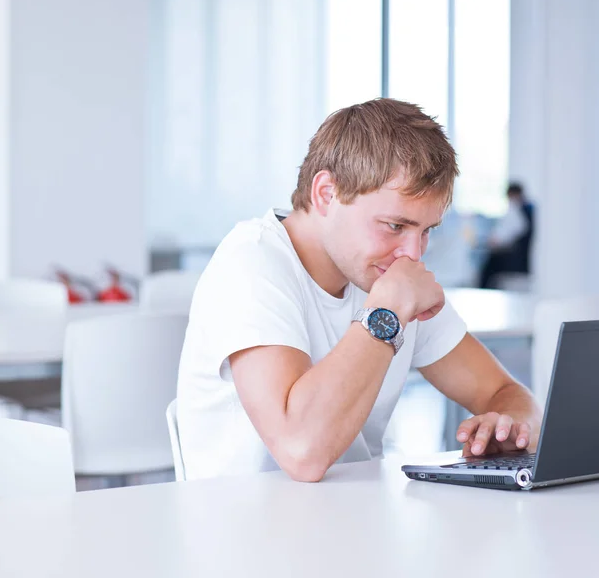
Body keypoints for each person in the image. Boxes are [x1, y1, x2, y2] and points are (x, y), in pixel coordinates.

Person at [177, 99, 541, 482]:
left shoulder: (384, 271)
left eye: (426, 230)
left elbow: (507, 392)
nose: (413, 254)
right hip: (242, 530)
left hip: (354, 521)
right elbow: (302, 452)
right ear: (326, 194)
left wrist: (511, 425)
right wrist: (387, 312)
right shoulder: (251, 262)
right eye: (395, 226)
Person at [478, 182, 534, 289]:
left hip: (513, 259)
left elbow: (512, 231)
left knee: (488, 267)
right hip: (518, 258)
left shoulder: (515, 210)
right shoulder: (527, 210)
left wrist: (495, 241)